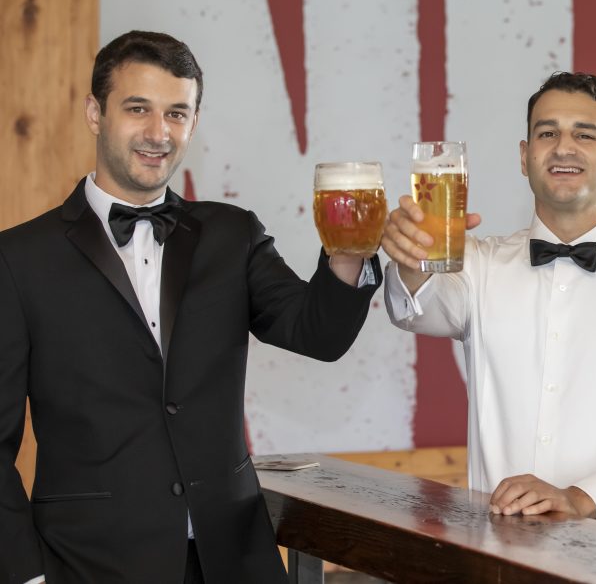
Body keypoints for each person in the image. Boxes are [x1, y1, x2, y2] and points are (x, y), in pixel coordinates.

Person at [0, 31, 382, 584]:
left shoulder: (233, 234)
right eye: (139, 109)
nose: (159, 133)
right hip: (87, 566)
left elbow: (316, 334)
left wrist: (349, 258)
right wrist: (26, 576)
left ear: (194, 122)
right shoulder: (19, 259)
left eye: (177, 113)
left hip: (236, 559)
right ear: (94, 113)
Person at [383, 72, 596, 531]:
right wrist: (410, 255)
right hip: (493, 545)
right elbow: (418, 308)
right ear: (525, 157)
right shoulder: (476, 265)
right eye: (547, 133)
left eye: (585, 134)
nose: (563, 147)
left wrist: (582, 498)